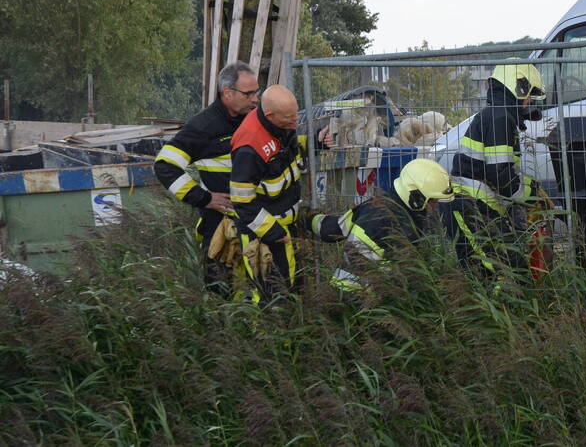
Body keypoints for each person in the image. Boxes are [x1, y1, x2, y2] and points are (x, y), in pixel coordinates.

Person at [154, 62, 259, 297]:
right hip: (219, 226)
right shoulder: (203, 126)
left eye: (257, 92)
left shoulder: (256, 119)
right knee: (221, 293)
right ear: (228, 93)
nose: (255, 99)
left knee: (263, 292)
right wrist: (203, 198)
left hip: (258, 221)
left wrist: (316, 140)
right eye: (249, 93)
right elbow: (165, 165)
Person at [230, 85, 330, 303]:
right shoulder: (249, 147)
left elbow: (289, 152)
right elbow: (242, 201)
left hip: (284, 225)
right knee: (270, 295)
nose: (294, 122)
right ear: (270, 115)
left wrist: (316, 141)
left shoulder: (280, 123)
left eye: (296, 114)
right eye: (289, 117)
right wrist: (273, 232)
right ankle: (269, 336)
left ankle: (290, 330)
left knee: (289, 286)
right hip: (263, 233)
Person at [309, 158, 455, 291]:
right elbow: (399, 271)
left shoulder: (375, 205)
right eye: (432, 201)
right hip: (357, 297)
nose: (434, 206)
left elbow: (334, 228)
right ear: (416, 195)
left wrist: (309, 219)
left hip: (357, 296)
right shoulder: (397, 223)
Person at [448, 64, 546, 225]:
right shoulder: (500, 118)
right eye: (528, 94)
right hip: (474, 205)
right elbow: (501, 175)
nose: (529, 101)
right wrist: (532, 192)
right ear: (517, 88)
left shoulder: (498, 114)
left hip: (475, 204)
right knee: (495, 251)